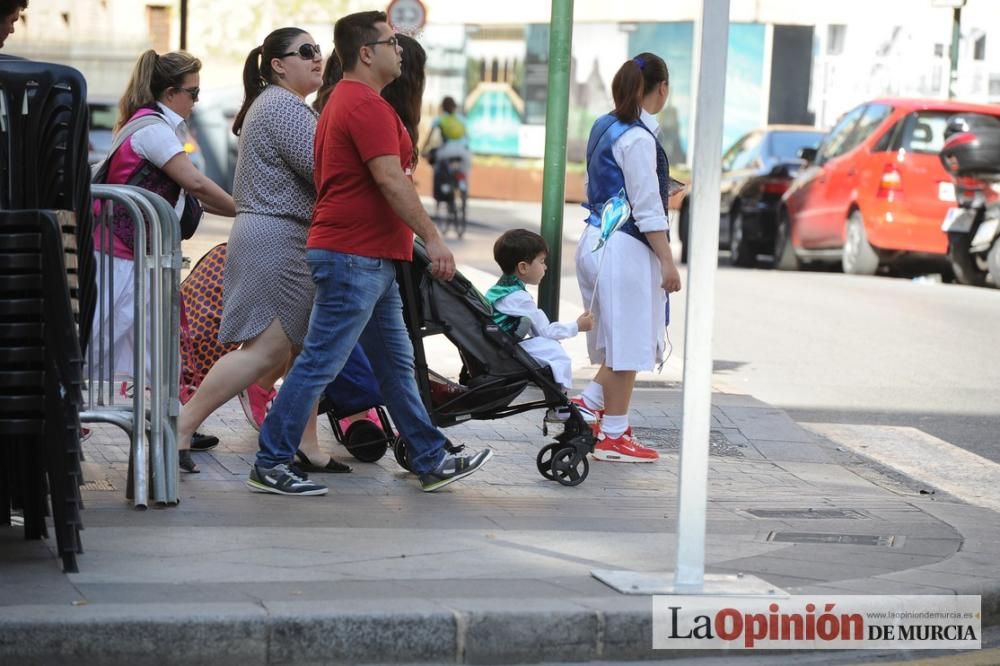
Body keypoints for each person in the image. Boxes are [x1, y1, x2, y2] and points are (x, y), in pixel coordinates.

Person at [250, 11, 492, 496]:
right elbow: (389, 180)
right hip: (353, 257)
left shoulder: (352, 101)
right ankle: (271, 462)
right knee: (320, 363)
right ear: (366, 52)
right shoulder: (364, 106)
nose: (399, 50)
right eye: (390, 42)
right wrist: (434, 237)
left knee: (395, 366)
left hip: (367, 257)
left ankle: (428, 457)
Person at [174, 28, 352, 476]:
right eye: (306, 52)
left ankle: (305, 444)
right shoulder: (281, 107)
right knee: (264, 351)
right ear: (277, 64)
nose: (318, 59)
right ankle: (181, 425)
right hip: (276, 238)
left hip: (282, 236)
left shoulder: (287, 106)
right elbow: (323, 173)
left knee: (298, 352)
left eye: (319, 52)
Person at [89, 49, 236, 468]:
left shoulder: (145, 124)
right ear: (170, 93)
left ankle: (168, 435)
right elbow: (196, 184)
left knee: (153, 352)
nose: (197, 101)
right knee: (102, 344)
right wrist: (248, 210)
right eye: (193, 92)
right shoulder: (154, 130)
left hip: (133, 256)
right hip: (122, 259)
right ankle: (63, 419)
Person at [574, 52, 682, 463]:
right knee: (629, 343)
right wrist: (668, 261)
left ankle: (588, 408)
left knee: (618, 342)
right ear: (662, 88)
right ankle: (614, 435)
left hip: (598, 239)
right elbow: (647, 207)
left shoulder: (605, 125)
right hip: (624, 247)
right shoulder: (638, 138)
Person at [485, 229, 598, 424]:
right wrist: (577, 326)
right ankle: (561, 406)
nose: (545, 267)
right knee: (553, 350)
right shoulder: (518, 298)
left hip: (495, 347)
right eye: (542, 261)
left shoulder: (501, 290)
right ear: (523, 267)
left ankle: (559, 403)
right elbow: (546, 331)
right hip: (504, 353)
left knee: (547, 347)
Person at [423, 95, 471, 196]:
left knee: (436, 163)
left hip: (447, 150)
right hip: (464, 151)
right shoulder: (462, 119)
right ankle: (462, 184)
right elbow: (467, 137)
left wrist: (423, 149)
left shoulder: (439, 119)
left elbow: (429, 137)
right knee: (465, 170)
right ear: (455, 107)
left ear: (443, 107)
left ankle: (443, 185)